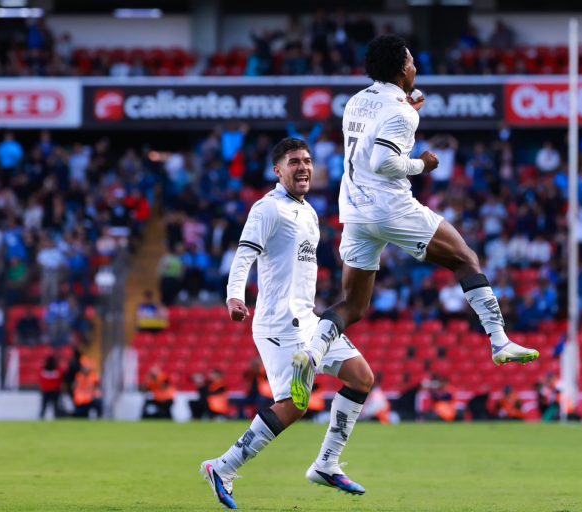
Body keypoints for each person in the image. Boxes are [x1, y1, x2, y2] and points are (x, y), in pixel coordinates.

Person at [291, 34, 537, 417]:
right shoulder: (403, 113)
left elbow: (380, 126)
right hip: (390, 207)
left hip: (354, 211)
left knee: (353, 304)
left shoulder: (357, 101)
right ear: (401, 68)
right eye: (410, 61)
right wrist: (423, 164)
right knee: (466, 259)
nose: (415, 66)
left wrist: (409, 104)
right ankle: (499, 340)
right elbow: (383, 162)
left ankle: (310, 352)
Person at [200, 138, 372, 508]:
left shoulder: (308, 212)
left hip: (308, 320)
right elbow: (246, 252)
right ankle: (223, 467)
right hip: (278, 324)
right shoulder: (268, 208)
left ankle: (326, 464)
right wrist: (235, 295)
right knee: (294, 405)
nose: (303, 167)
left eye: (307, 161)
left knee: (361, 377)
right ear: (277, 171)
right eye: (294, 162)